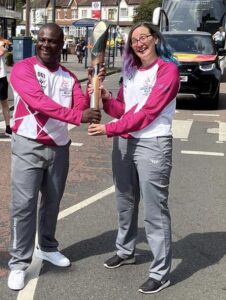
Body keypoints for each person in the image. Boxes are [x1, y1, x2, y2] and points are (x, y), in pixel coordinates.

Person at [7, 23, 102, 291]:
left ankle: (47, 247)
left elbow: (79, 106)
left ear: (62, 46)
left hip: (59, 147)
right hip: (28, 144)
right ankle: (17, 263)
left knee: (52, 202)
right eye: (42, 40)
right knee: (23, 205)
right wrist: (78, 116)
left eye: (52, 41)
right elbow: (38, 102)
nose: (46, 45)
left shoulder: (69, 77)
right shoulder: (23, 69)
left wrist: (92, 88)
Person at [88, 22, 180, 294]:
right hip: (125, 142)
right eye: (134, 40)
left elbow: (147, 113)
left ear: (155, 39)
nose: (139, 43)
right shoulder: (129, 72)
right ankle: (126, 250)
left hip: (153, 143)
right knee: (125, 201)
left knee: (155, 210)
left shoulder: (168, 70)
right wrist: (105, 99)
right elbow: (124, 110)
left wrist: (108, 129)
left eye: (143, 37)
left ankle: (160, 272)